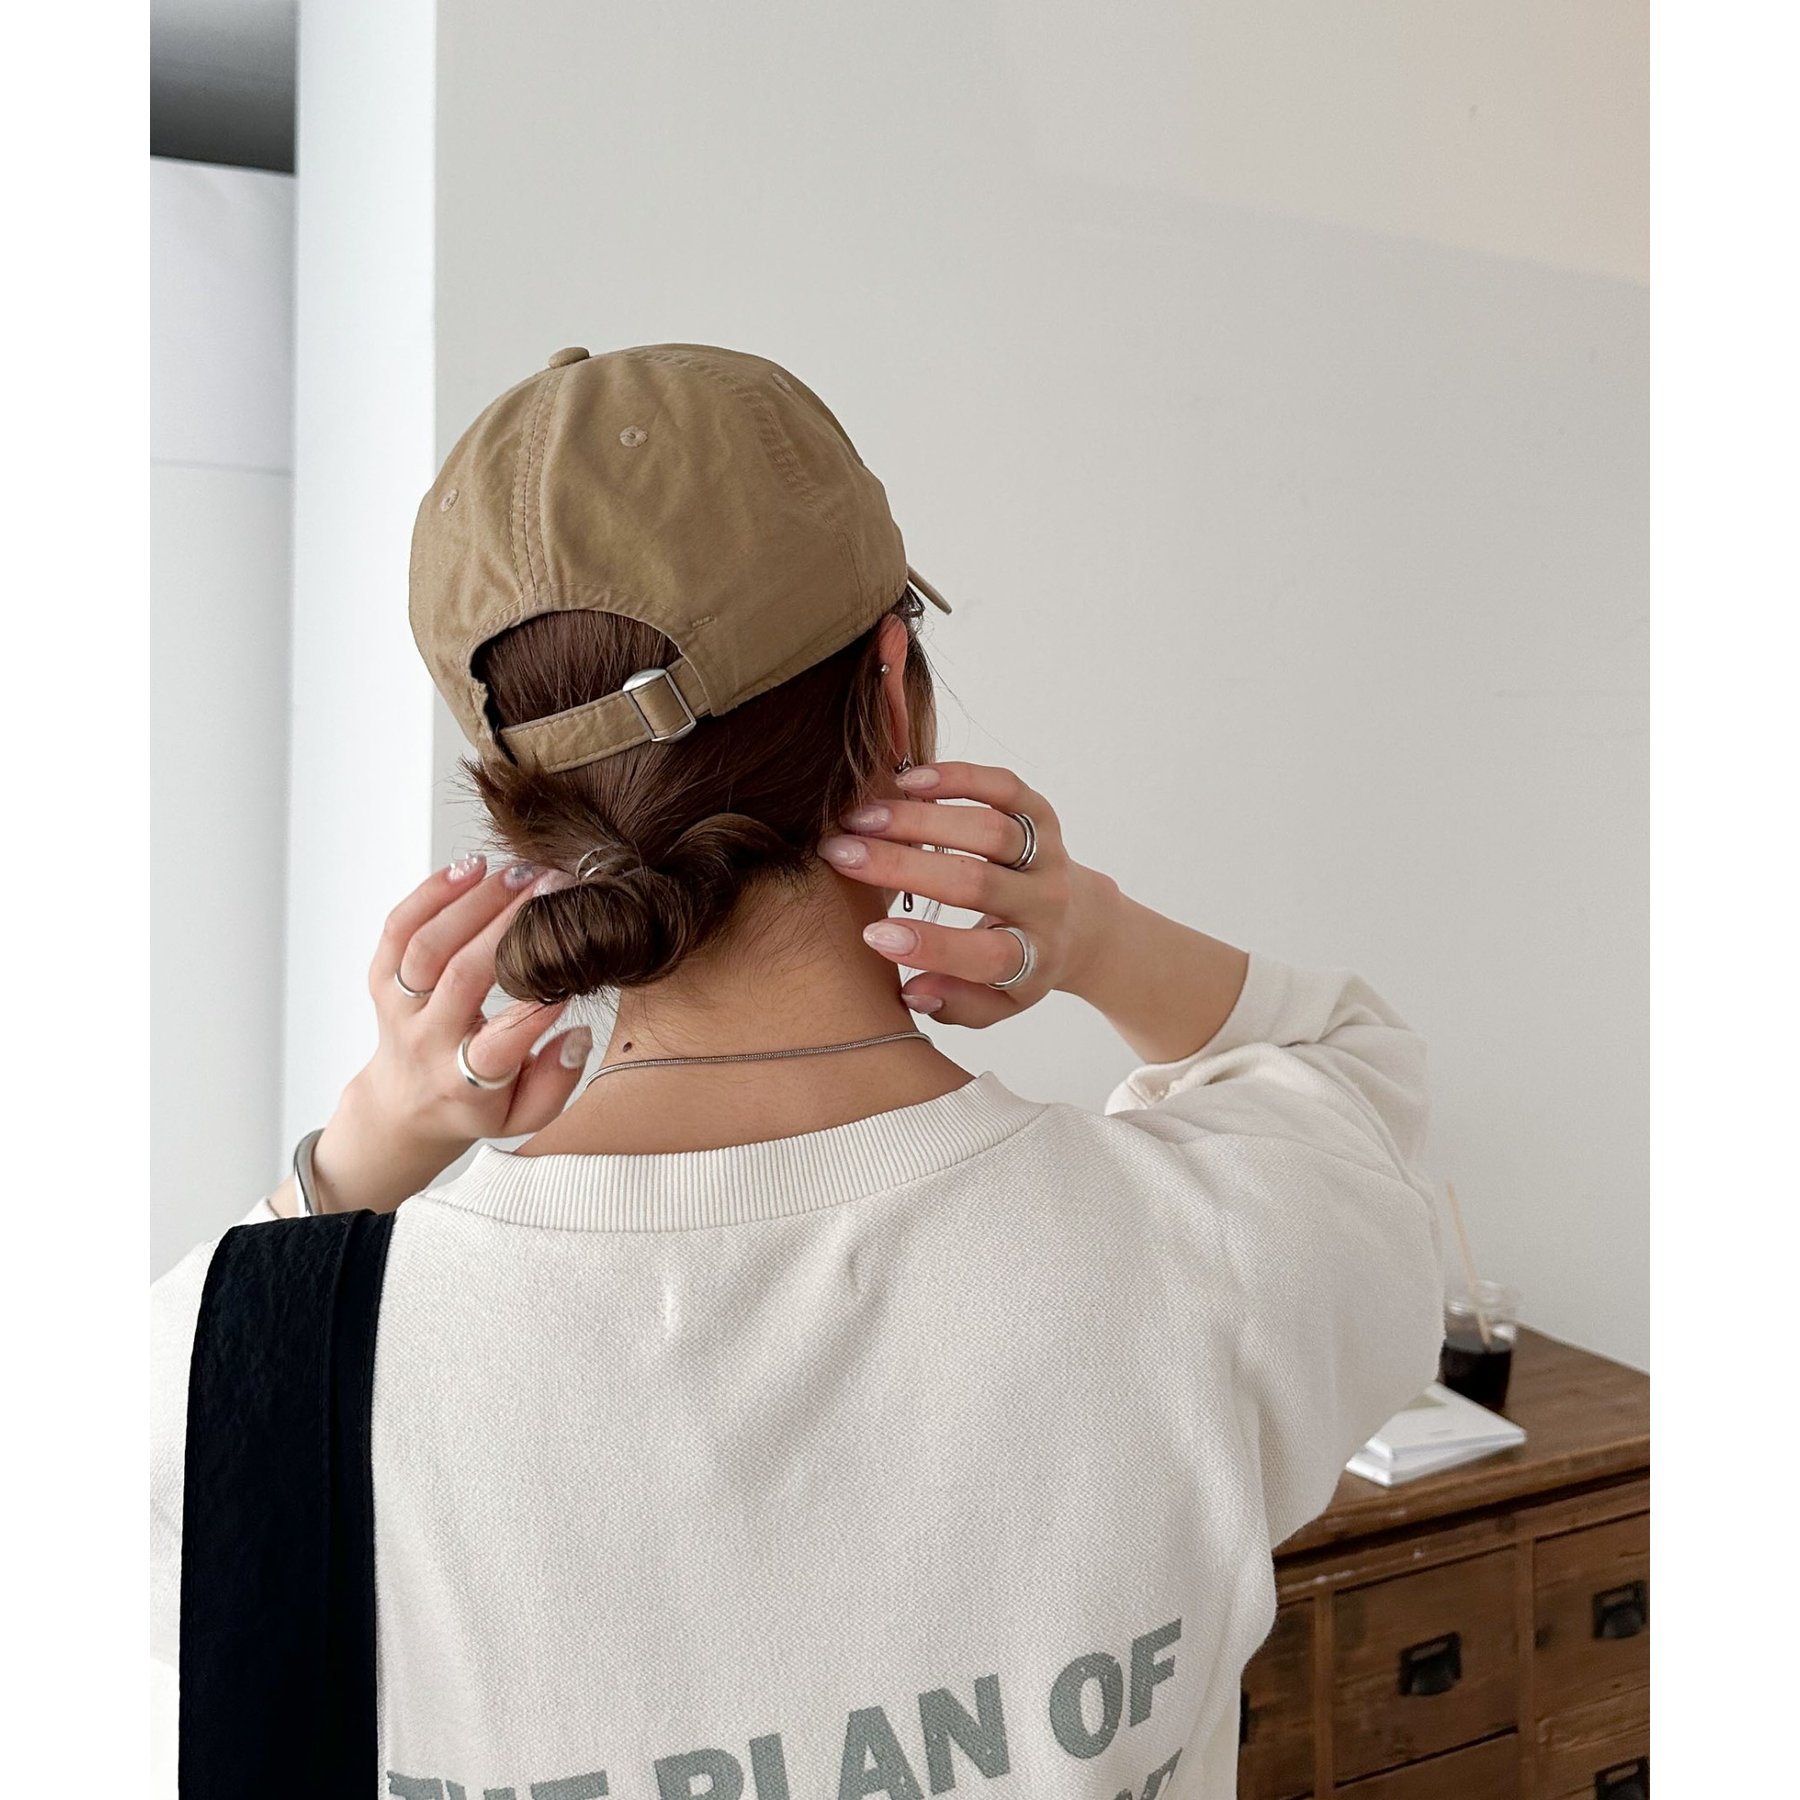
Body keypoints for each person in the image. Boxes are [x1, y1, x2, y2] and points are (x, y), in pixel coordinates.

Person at [150, 344, 1443, 1799]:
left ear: (517, 798)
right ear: (892, 693)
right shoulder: (1220, 1252)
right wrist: (1090, 934)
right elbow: (1344, 1067)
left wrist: (362, 1153)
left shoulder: (246, 1380)